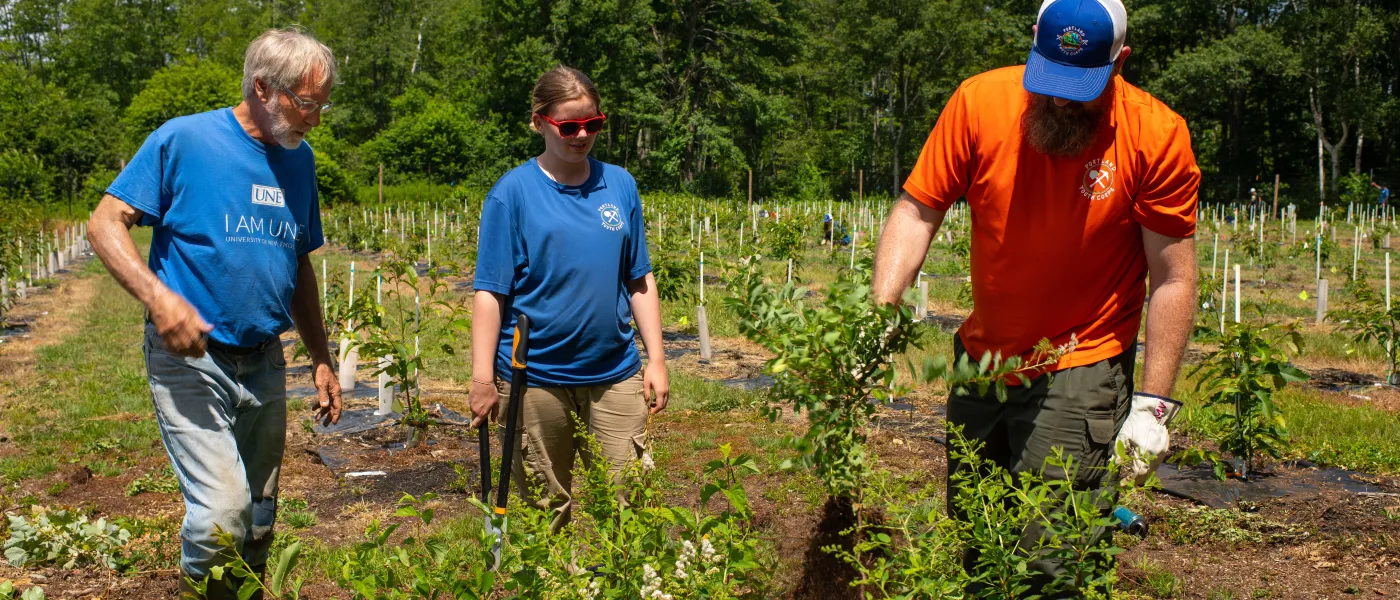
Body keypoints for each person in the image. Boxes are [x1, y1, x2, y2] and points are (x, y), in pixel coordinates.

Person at [871, 0, 1198, 595]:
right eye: (1049, 81)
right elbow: (919, 208)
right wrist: (881, 308)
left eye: (1081, 88)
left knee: (1052, 562)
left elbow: (1172, 276)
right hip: (984, 362)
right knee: (979, 540)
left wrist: (1154, 404)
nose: (1061, 101)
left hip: (1081, 360)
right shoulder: (979, 103)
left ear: (1120, 62)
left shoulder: (1157, 134)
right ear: (1033, 43)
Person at [86, 29, 342, 600]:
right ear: (262, 88)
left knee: (258, 519)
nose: (316, 119)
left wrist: (321, 355)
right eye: (306, 103)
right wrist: (159, 299)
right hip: (192, 358)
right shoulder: (185, 140)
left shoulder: (300, 162)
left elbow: (297, 262)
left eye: (323, 105)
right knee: (222, 515)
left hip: (265, 359)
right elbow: (105, 223)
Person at [469, 65, 669, 533]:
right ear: (539, 121)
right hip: (535, 379)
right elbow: (490, 294)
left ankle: (620, 581)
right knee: (546, 502)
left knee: (627, 499)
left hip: (614, 373)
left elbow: (639, 279)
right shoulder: (511, 195)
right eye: (569, 126)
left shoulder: (619, 185)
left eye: (592, 124)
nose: (582, 135)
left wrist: (656, 358)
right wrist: (482, 379)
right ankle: (558, 582)